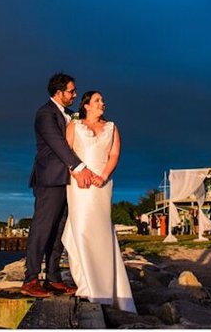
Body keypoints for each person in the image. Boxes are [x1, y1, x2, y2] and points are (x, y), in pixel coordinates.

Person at [20, 72, 99, 299]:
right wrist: (80, 167)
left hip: (67, 181)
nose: (75, 95)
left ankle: (53, 278)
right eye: (71, 91)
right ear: (58, 92)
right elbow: (57, 144)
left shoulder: (70, 115)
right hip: (49, 179)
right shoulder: (45, 114)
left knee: (59, 231)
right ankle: (31, 278)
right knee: (42, 228)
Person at [62, 90, 136, 312]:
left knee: (102, 231)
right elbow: (66, 152)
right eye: (98, 100)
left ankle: (105, 287)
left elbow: (114, 155)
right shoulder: (74, 125)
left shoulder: (112, 127)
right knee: (81, 230)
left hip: (102, 185)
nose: (103, 103)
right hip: (79, 183)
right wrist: (77, 173)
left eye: (103, 100)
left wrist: (103, 176)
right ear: (86, 105)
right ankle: (87, 285)